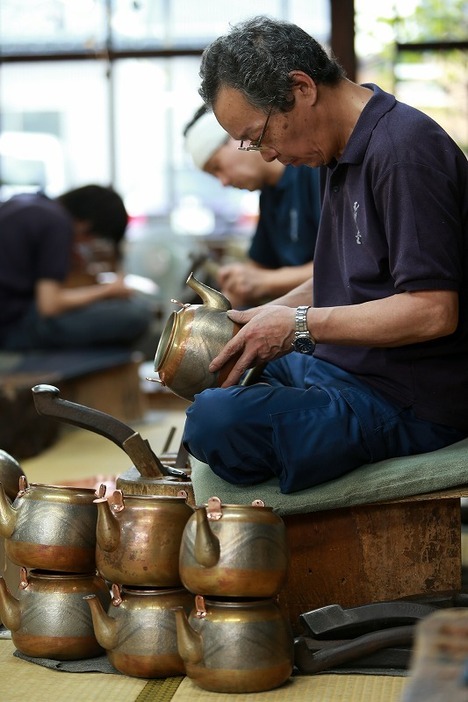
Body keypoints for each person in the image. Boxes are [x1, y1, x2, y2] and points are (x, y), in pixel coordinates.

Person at [182, 16, 468, 494]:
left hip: (406, 398)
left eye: (260, 134)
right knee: (218, 366)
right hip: (341, 365)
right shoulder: (333, 150)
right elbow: (342, 274)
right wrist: (264, 316)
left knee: (215, 422)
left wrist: (298, 325)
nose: (265, 155)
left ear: (301, 88)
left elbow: (434, 311)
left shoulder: (403, 152)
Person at [184, 105, 321, 307]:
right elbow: (258, 268)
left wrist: (265, 282)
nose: (222, 182)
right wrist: (238, 284)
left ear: (237, 138)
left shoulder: (312, 172)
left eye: (217, 167)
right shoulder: (268, 196)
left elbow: (341, 267)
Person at [0, 184, 153, 351]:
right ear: (85, 226)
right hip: (12, 328)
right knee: (137, 313)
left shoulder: (28, 202)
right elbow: (49, 305)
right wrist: (107, 291)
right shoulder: (58, 223)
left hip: (10, 317)